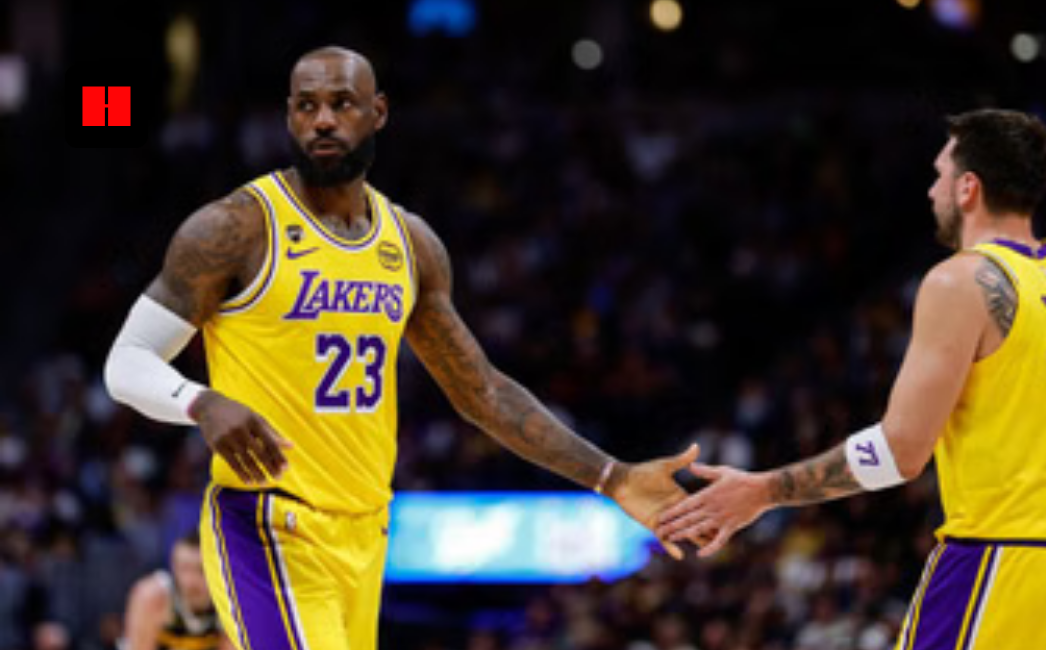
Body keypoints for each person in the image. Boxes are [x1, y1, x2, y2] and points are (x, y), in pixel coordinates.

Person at [104, 45, 699, 650]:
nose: (324, 120)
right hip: (265, 524)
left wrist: (612, 476)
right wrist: (199, 401)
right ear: (289, 118)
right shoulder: (234, 228)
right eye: (306, 106)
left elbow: (483, 392)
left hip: (365, 532)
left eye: (341, 103)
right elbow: (126, 362)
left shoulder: (410, 245)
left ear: (378, 112)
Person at [656, 109, 1046, 649]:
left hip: (1007, 565)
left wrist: (762, 490)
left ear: (968, 188)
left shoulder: (964, 279)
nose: (932, 191)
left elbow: (901, 451)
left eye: (939, 175)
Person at [120, 532, 231, 650]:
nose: (191, 582)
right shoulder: (152, 597)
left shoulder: (229, 602)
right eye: (184, 569)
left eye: (201, 570)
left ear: (217, 572)